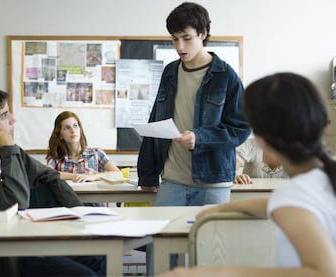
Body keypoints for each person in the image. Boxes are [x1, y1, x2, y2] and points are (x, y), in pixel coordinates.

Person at [160, 72, 336, 277]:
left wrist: (213, 273)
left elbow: (323, 272)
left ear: (261, 139)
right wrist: (225, 207)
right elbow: (280, 205)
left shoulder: (294, 196)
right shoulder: (320, 180)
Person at [0, 86, 105, 277]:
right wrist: (8, 149)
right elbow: (15, 201)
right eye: (4, 116)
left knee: (100, 257)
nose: (13, 120)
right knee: (85, 275)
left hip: (28, 240)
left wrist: (79, 212)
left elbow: (50, 177)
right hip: (2, 255)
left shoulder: (14, 153)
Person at [137, 1, 250, 206]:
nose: (179, 46)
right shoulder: (170, 72)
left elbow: (241, 128)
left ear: (203, 34)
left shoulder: (225, 76)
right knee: (162, 237)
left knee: (209, 238)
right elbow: (156, 120)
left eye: (186, 38)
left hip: (213, 182)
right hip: (172, 180)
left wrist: (201, 138)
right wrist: (147, 174)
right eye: (174, 39)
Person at [46, 111, 121, 183]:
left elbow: (118, 173)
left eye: (75, 126)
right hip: (66, 195)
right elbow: (47, 174)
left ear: (80, 129)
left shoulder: (96, 153)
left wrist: (95, 176)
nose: (73, 130)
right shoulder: (55, 156)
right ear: (60, 135)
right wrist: (75, 176)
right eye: (67, 127)